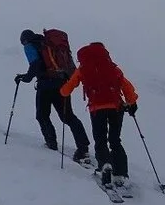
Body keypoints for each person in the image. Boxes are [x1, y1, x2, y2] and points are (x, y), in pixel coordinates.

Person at [60, 42, 140, 188]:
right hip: (116, 107)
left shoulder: (83, 69)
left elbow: (67, 89)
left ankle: (104, 166)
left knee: (100, 140)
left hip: (97, 109)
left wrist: (62, 91)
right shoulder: (112, 67)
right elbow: (126, 86)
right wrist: (132, 102)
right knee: (115, 140)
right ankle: (121, 173)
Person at [15, 29, 90, 161]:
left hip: (45, 85)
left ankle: (51, 143)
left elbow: (35, 64)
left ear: (24, 40)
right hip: (61, 83)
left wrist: (25, 78)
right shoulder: (48, 44)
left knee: (42, 115)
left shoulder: (30, 45)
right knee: (68, 116)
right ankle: (83, 147)